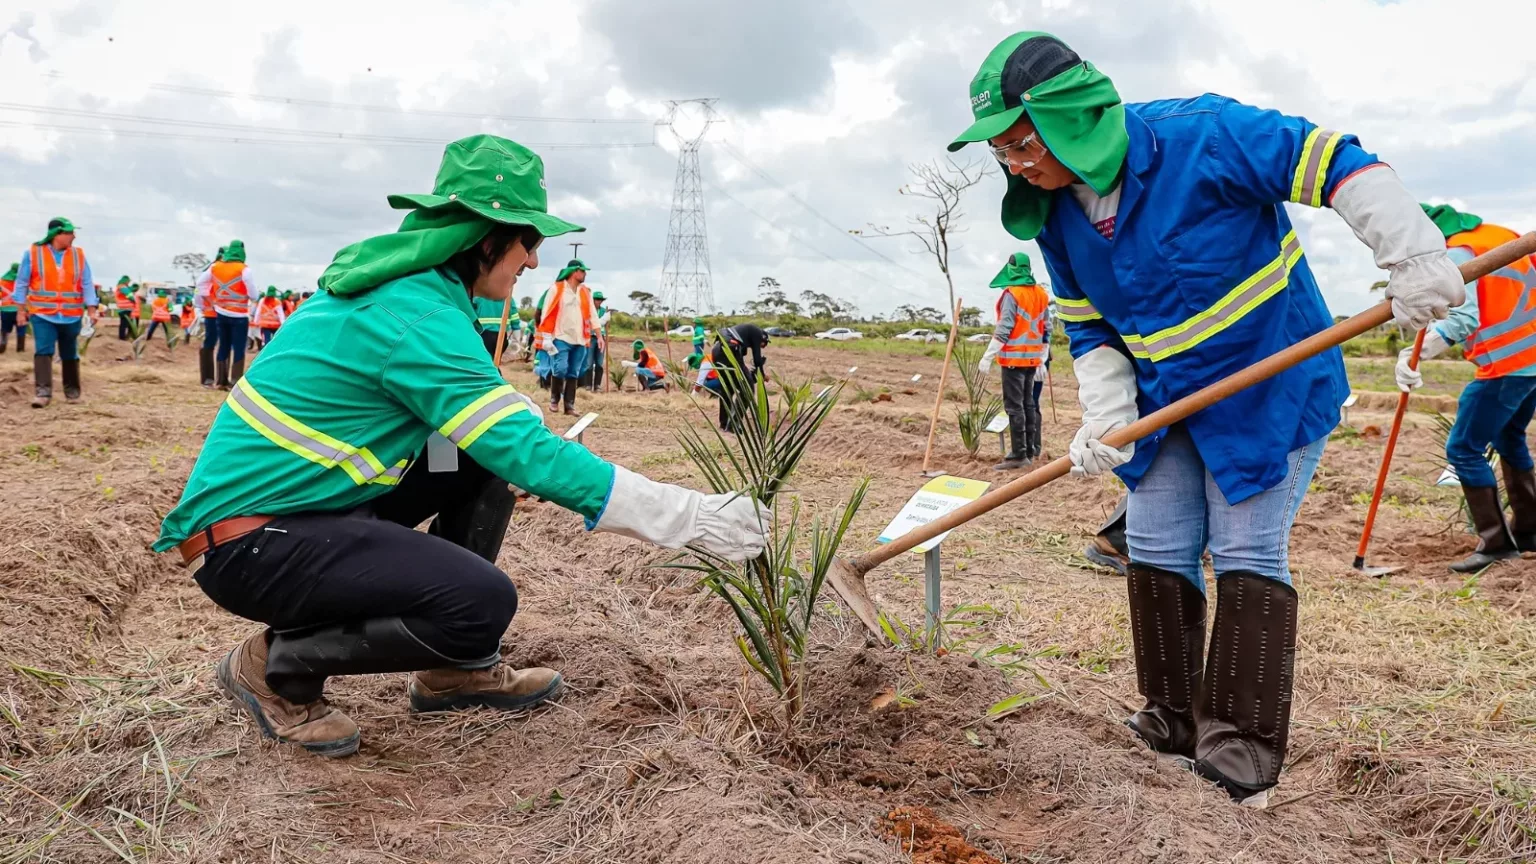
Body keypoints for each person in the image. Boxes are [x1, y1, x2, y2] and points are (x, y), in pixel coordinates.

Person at [949, 32, 1465, 805]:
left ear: (1072, 118)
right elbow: (1086, 320)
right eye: (1002, 154)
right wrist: (1107, 409)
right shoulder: (1055, 214)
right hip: (1164, 400)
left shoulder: (1204, 136)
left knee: (1245, 544)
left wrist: (1412, 253)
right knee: (1153, 541)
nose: (1017, 165)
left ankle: (1241, 748)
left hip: (1269, 387)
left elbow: (1336, 162)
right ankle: (1173, 717)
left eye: (1023, 144)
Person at [153, 135, 769, 759]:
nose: (532, 262)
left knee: (476, 460)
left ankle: (454, 670)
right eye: (531, 242)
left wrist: (506, 416)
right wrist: (688, 517)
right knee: (482, 602)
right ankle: (277, 669)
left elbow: (478, 430)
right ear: (487, 236)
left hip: (303, 507)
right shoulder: (416, 315)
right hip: (252, 544)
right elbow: (527, 453)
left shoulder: (416, 295)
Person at [1396, 204, 1536, 572]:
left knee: (1463, 448)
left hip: (1505, 364)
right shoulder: (1500, 237)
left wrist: (1418, 351)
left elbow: (1464, 317)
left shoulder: (1457, 253)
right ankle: (1530, 532)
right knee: (1510, 439)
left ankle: (1495, 543)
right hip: (1532, 360)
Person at [15, 217, 97, 408]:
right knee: (44, 351)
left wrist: (92, 309)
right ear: (56, 235)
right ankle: (43, 393)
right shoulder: (33, 254)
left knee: (70, 352)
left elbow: (86, 283)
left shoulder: (79, 255)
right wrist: (20, 310)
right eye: (69, 233)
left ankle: (72, 392)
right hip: (42, 313)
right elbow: (22, 283)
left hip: (71, 315)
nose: (73, 236)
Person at [979, 252, 1049, 470]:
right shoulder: (1040, 293)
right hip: (1032, 360)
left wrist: (987, 356)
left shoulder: (1012, 294)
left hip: (1012, 359)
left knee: (1014, 407)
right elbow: (1047, 328)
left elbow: (1005, 327)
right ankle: (1031, 449)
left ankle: (1019, 455)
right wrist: (1042, 357)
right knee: (1029, 404)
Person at [532, 259, 595, 415]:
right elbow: (546, 312)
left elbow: (592, 314)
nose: (585, 274)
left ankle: (569, 406)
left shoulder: (585, 292)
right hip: (560, 337)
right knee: (560, 369)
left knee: (574, 372)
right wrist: (547, 337)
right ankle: (554, 400)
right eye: (582, 270)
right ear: (574, 272)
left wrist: (599, 335)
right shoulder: (557, 289)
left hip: (579, 339)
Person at [197, 239, 256, 389]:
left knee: (223, 346)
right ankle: (235, 381)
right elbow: (254, 295)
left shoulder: (215, 267)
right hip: (239, 315)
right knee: (238, 347)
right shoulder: (244, 269)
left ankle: (220, 380)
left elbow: (200, 284)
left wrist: (210, 301)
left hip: (220, 313)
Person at [709, 323, 769, 433]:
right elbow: (757, 359)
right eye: (764, 345)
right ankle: (732, 425)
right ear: (764, 339)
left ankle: (724, 423)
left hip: (717, 351)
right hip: (729, 352)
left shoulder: (742, 334)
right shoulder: (758, 333)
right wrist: (762, 375)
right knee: (748, 390)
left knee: (728, 388)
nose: (763, 346)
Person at [471, 293, 520, 358]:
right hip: (501, 336)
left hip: (482, 335)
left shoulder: (478, 295)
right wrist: (516, 340)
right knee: (495, 361)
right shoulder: (508, 298)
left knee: (483, 360)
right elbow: (515, 321)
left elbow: (470, 314)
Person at [0, 262, 26, 354]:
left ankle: (2, 346)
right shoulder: (22, 281)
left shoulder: (2, 281)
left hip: (5, 310)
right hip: (20, 310)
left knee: (5, 329)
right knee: (21, 329)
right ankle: (20, 349)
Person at [587, 290, 610, 391]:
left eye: (600, 300)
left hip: (601, 338)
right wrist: (602, 320)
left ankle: (597, 385)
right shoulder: (588, 311)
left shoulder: (603, 311)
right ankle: (588, 385)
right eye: (597, 299)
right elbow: (592, 324)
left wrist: (603, 321)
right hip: (590, 338)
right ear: (593, 300)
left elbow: (601, 324)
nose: (599, 301)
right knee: (589, 363)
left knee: (599, 363)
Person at [112, 276, 138, 341]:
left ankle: (124, 336)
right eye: (128, 281)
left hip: (122, 307)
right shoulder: (123, 287)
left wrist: (134, 287)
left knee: (124, 323)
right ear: (125, 281)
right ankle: (122, 337)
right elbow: (128, 294)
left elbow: (130, 289)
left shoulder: (120, 287)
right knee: (125, 323)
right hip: (125, 308)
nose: (129, 282)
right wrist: (133, 300)